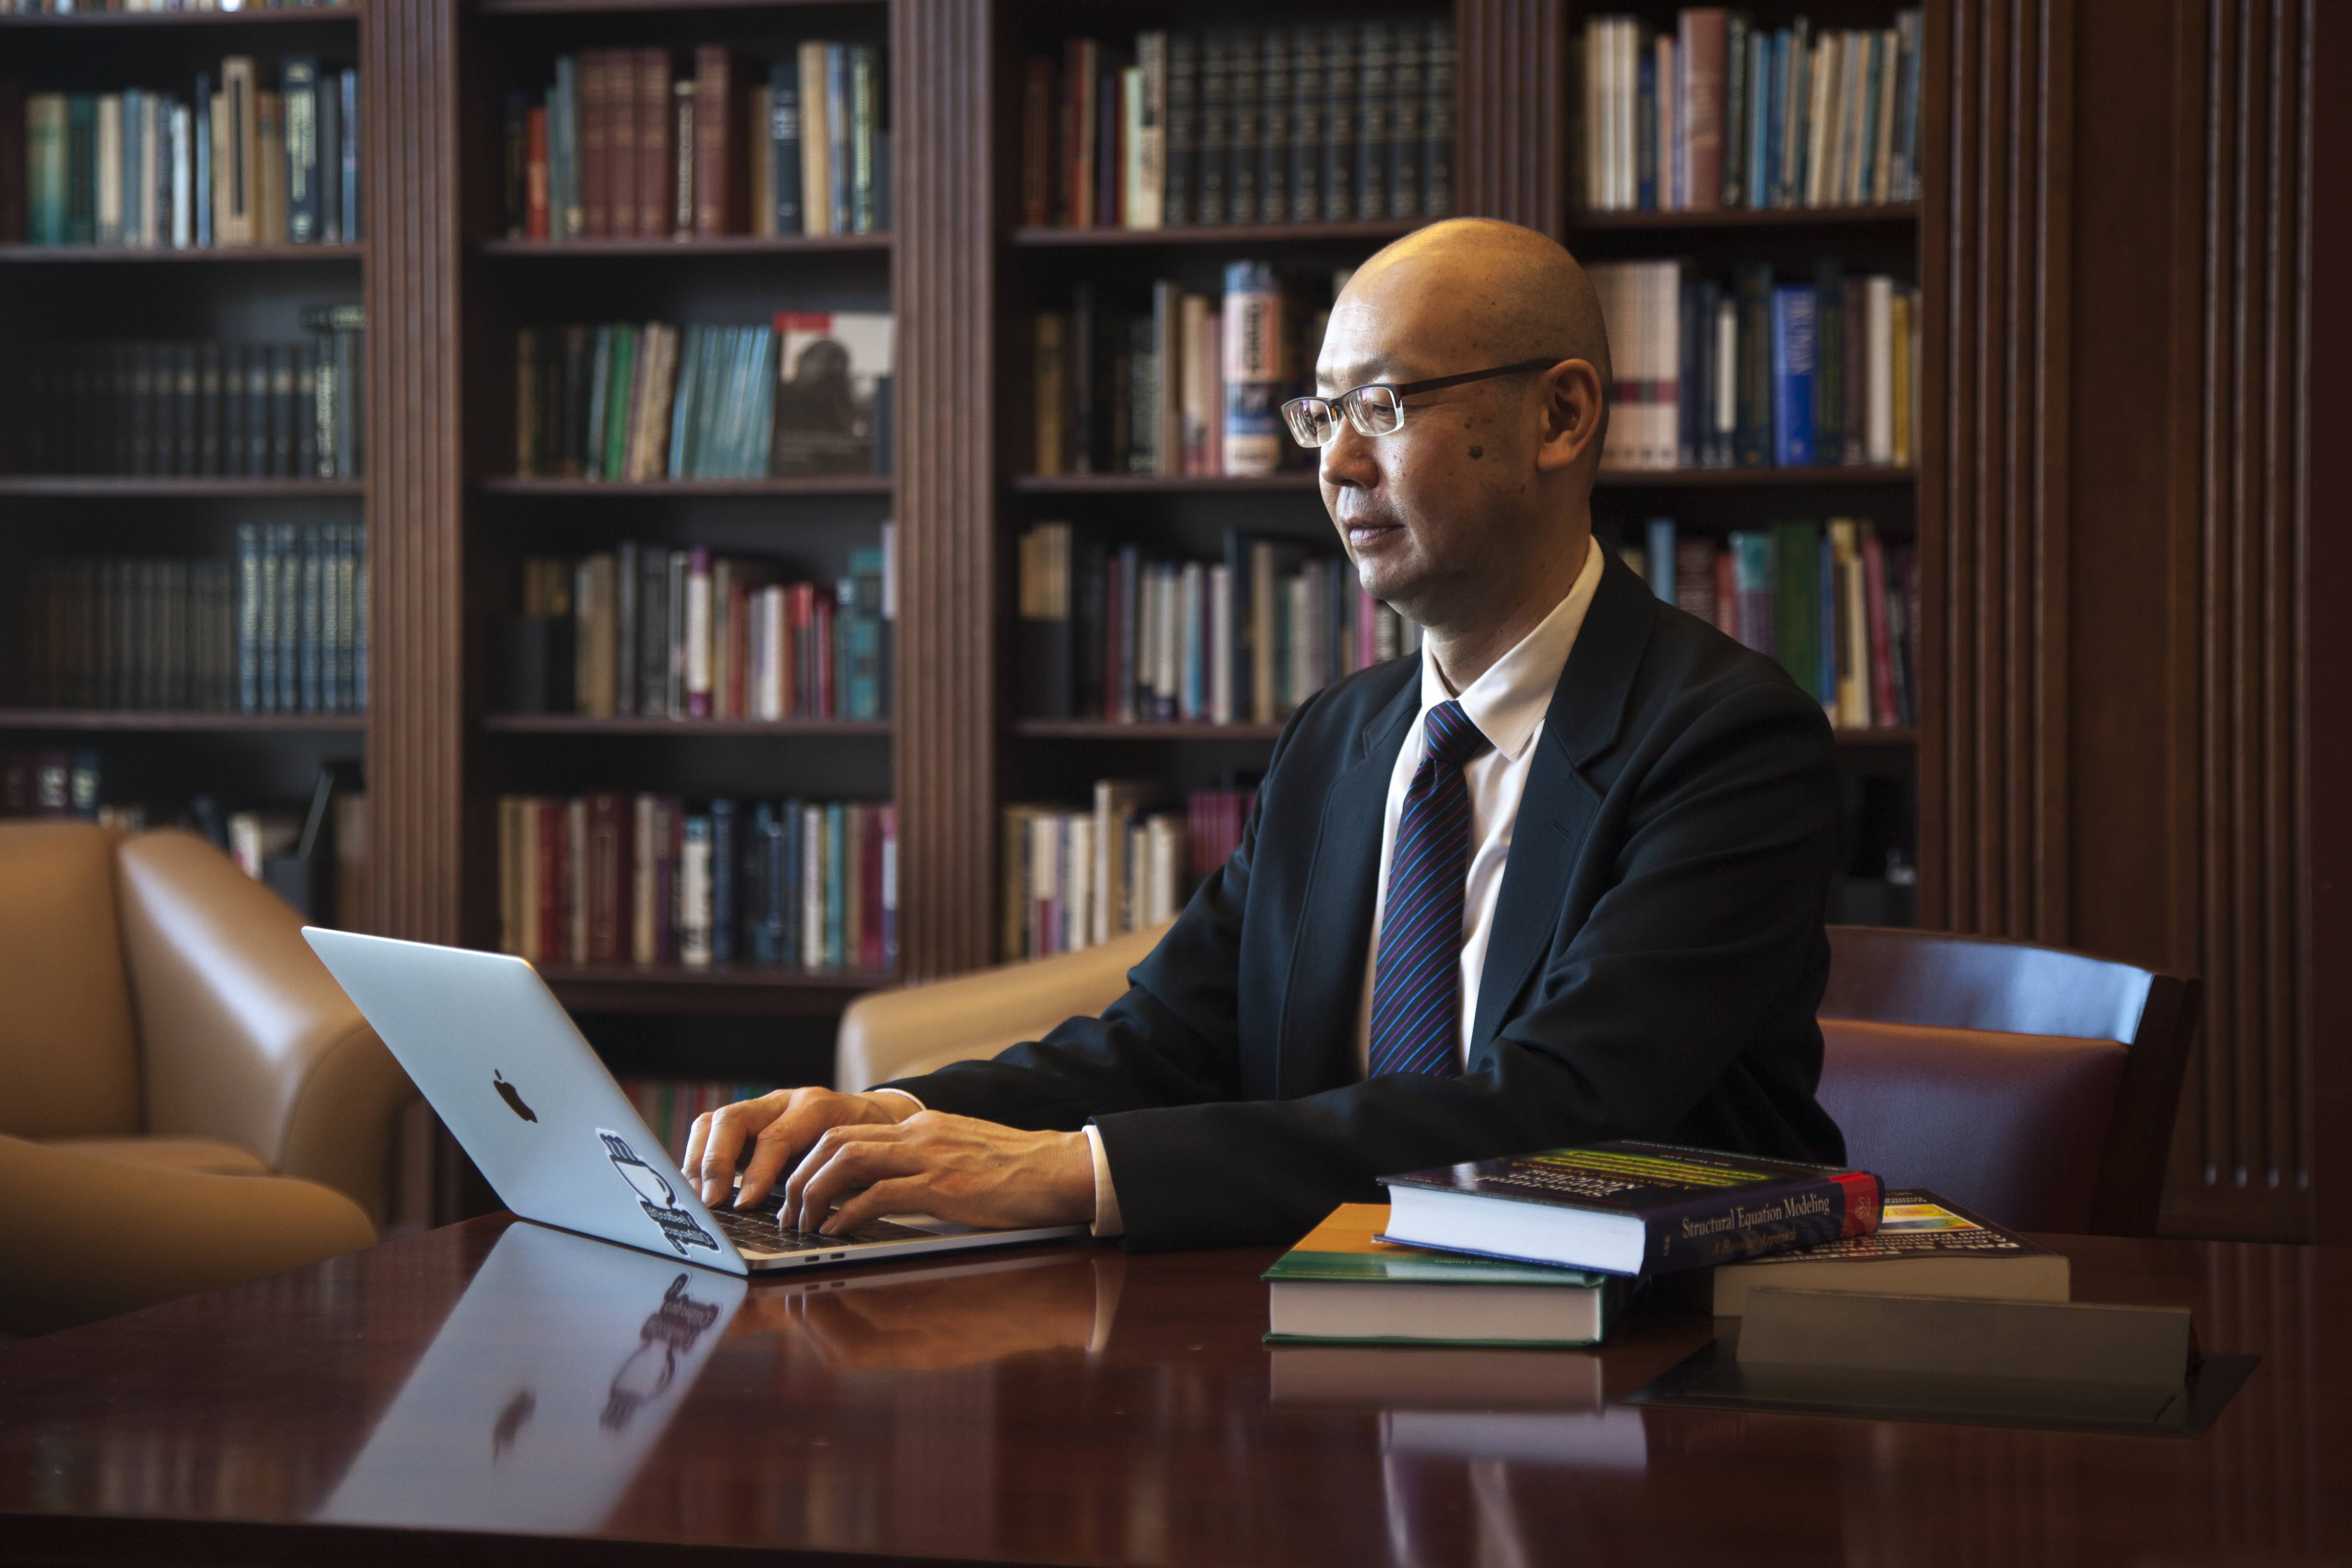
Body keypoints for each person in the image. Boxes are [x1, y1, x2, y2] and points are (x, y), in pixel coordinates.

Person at [683, 217, 1846, 1251]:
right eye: (1324, 415)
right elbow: (1168, 1040)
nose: (1337, 464)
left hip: (1645, 1369)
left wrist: (1069, 1174)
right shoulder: (1340, 739)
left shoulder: (1728, 741)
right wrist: (891, 1120)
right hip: (1306, 1333)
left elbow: (1560, 1113)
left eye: (1384, 407)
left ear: (1560, 416)